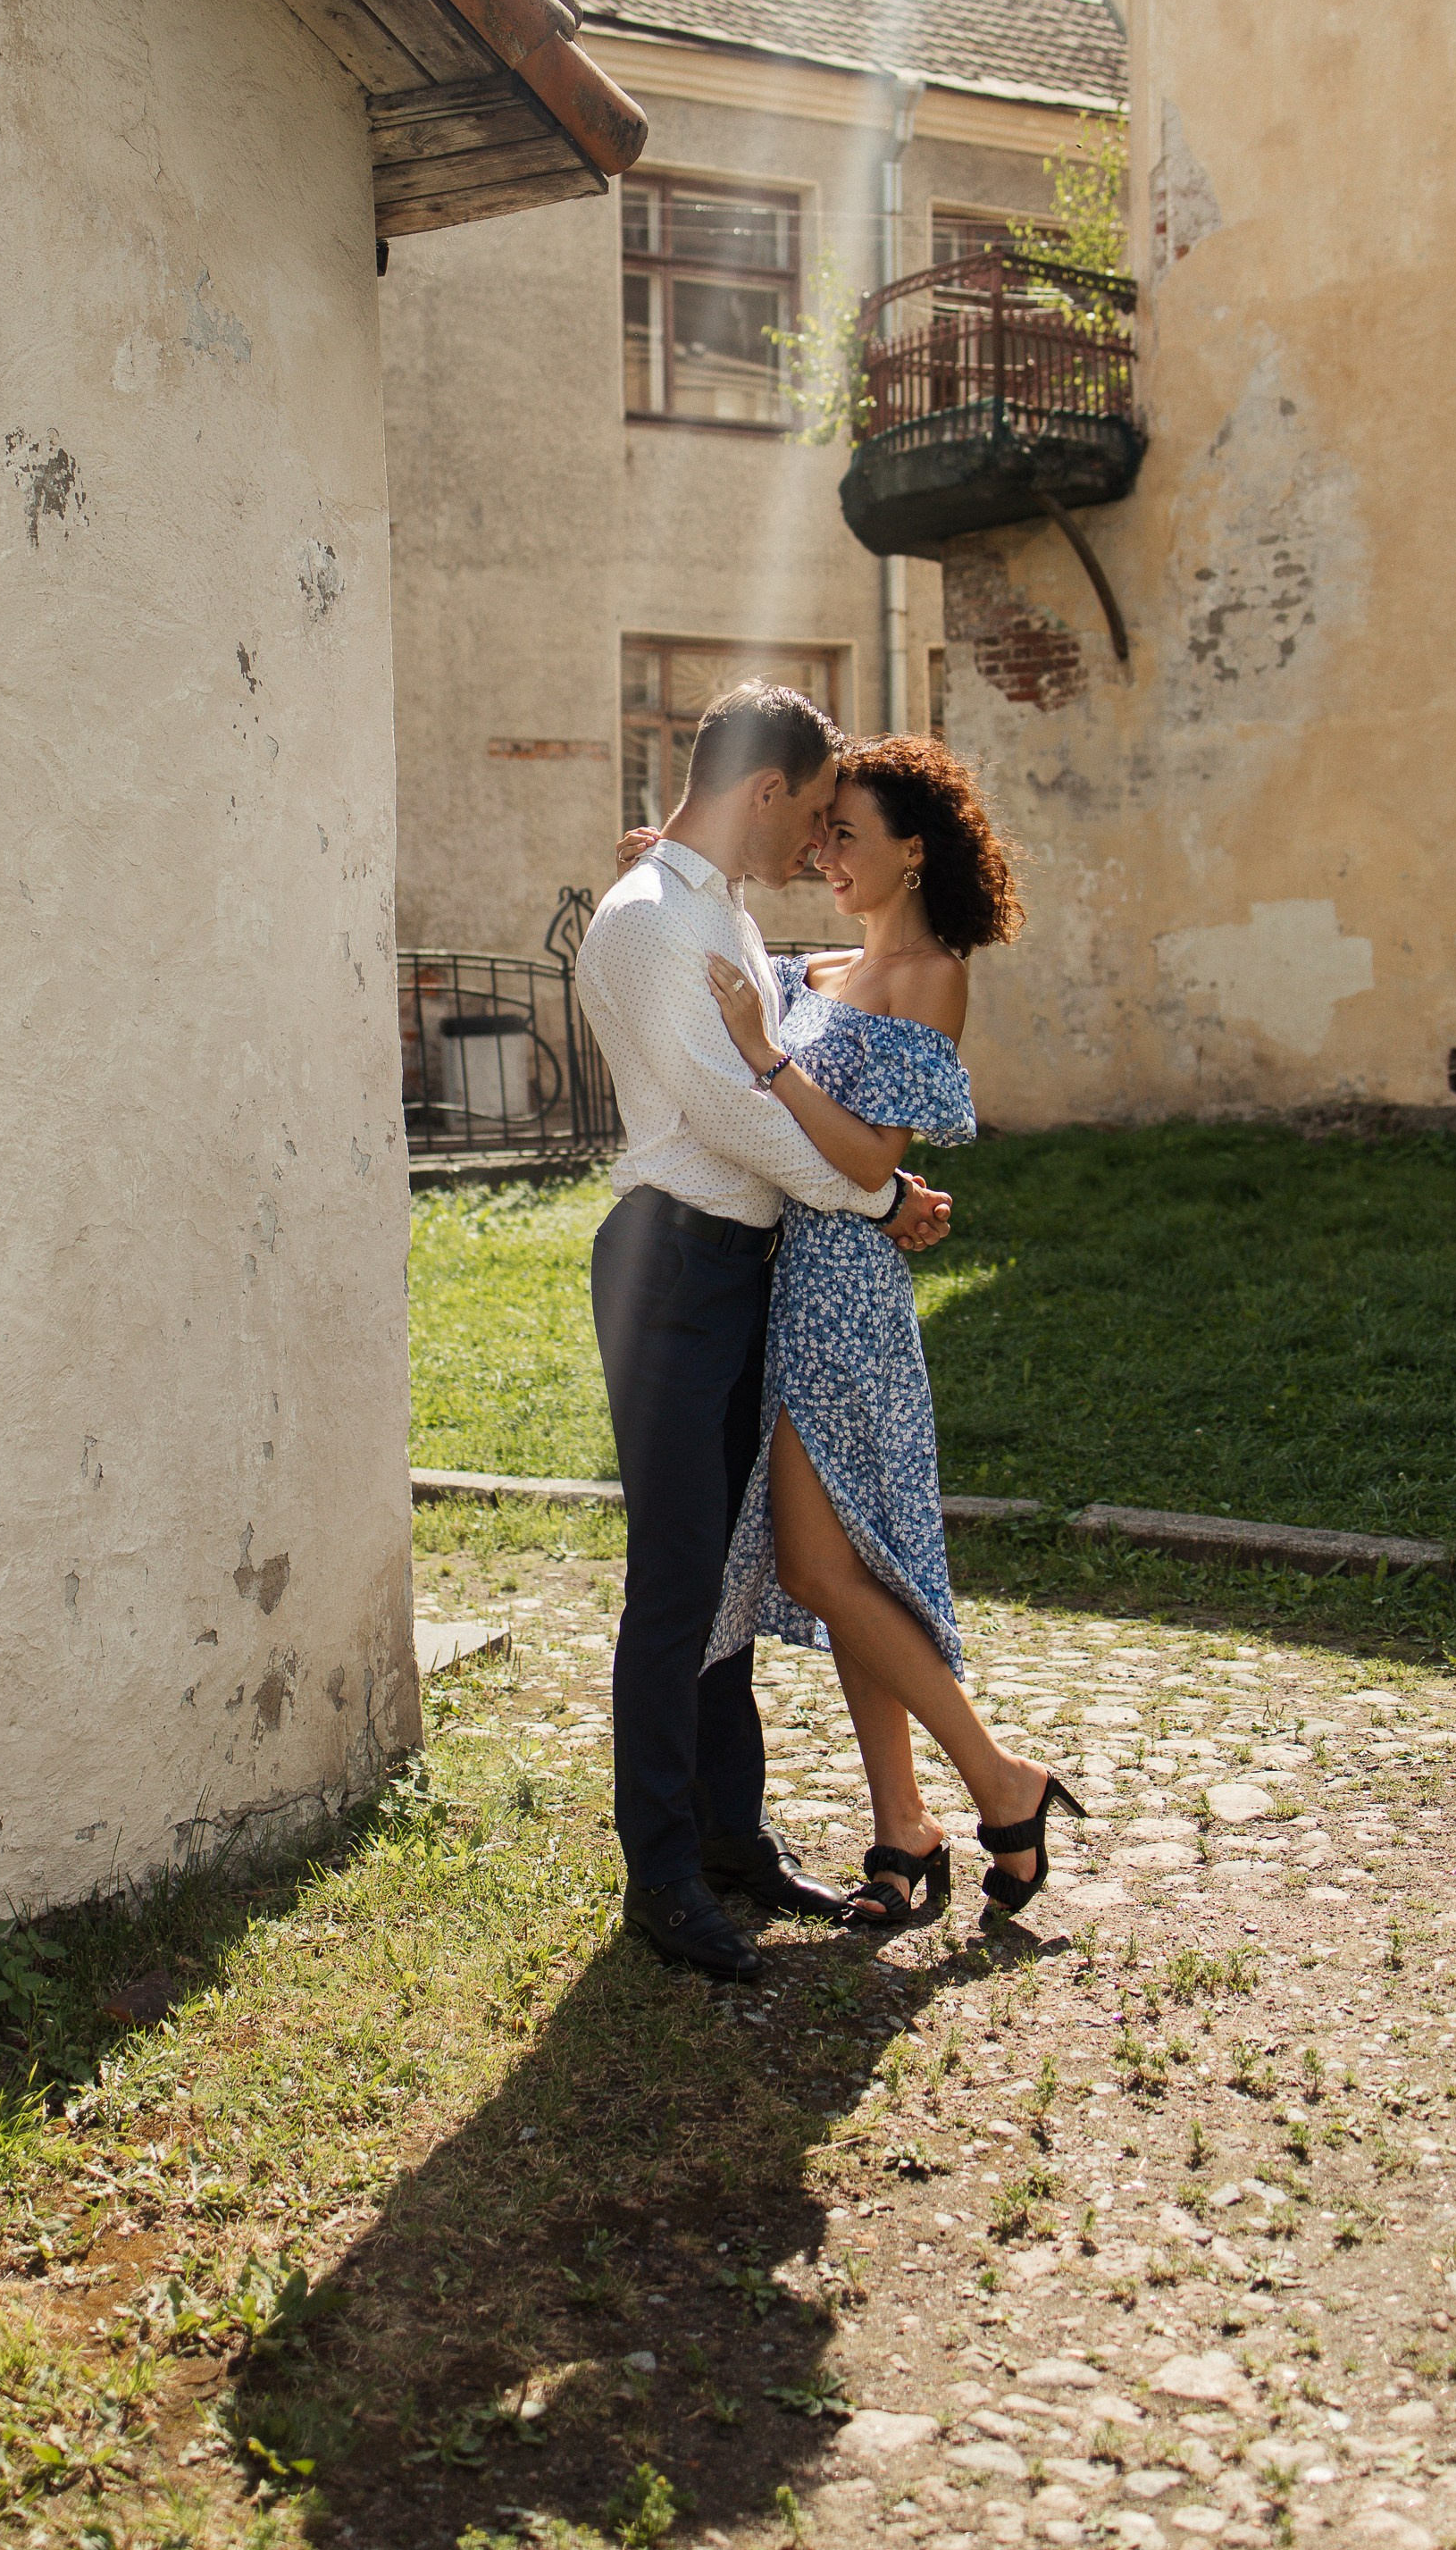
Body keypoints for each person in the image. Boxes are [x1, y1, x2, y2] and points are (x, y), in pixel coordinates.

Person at [575, 684, 954, 1984]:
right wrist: (884, 1194)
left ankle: (732, 1840)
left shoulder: (711, 907)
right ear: (760, 790)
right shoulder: (642, 927)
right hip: (669, 1267)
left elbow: (785, 1036)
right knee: (678, 1575)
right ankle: (663, 1873)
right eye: (806, 816)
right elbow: (734, 1120)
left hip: (746, 1268)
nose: (809, 849)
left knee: (733, 1566)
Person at [699, 736, 1084, 1933]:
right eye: (818, 836)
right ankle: (901, 1830)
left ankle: (1000, 1780)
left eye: (845, 837)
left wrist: (766, 1055)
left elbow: (871, 1158)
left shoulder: (931, 977)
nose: (823, 856)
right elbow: (720, 956)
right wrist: (670, 864)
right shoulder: (812, 968)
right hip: (783, 1283)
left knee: (824, 1566)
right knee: (849, 1566)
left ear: (913, 852)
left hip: (848, 1296)